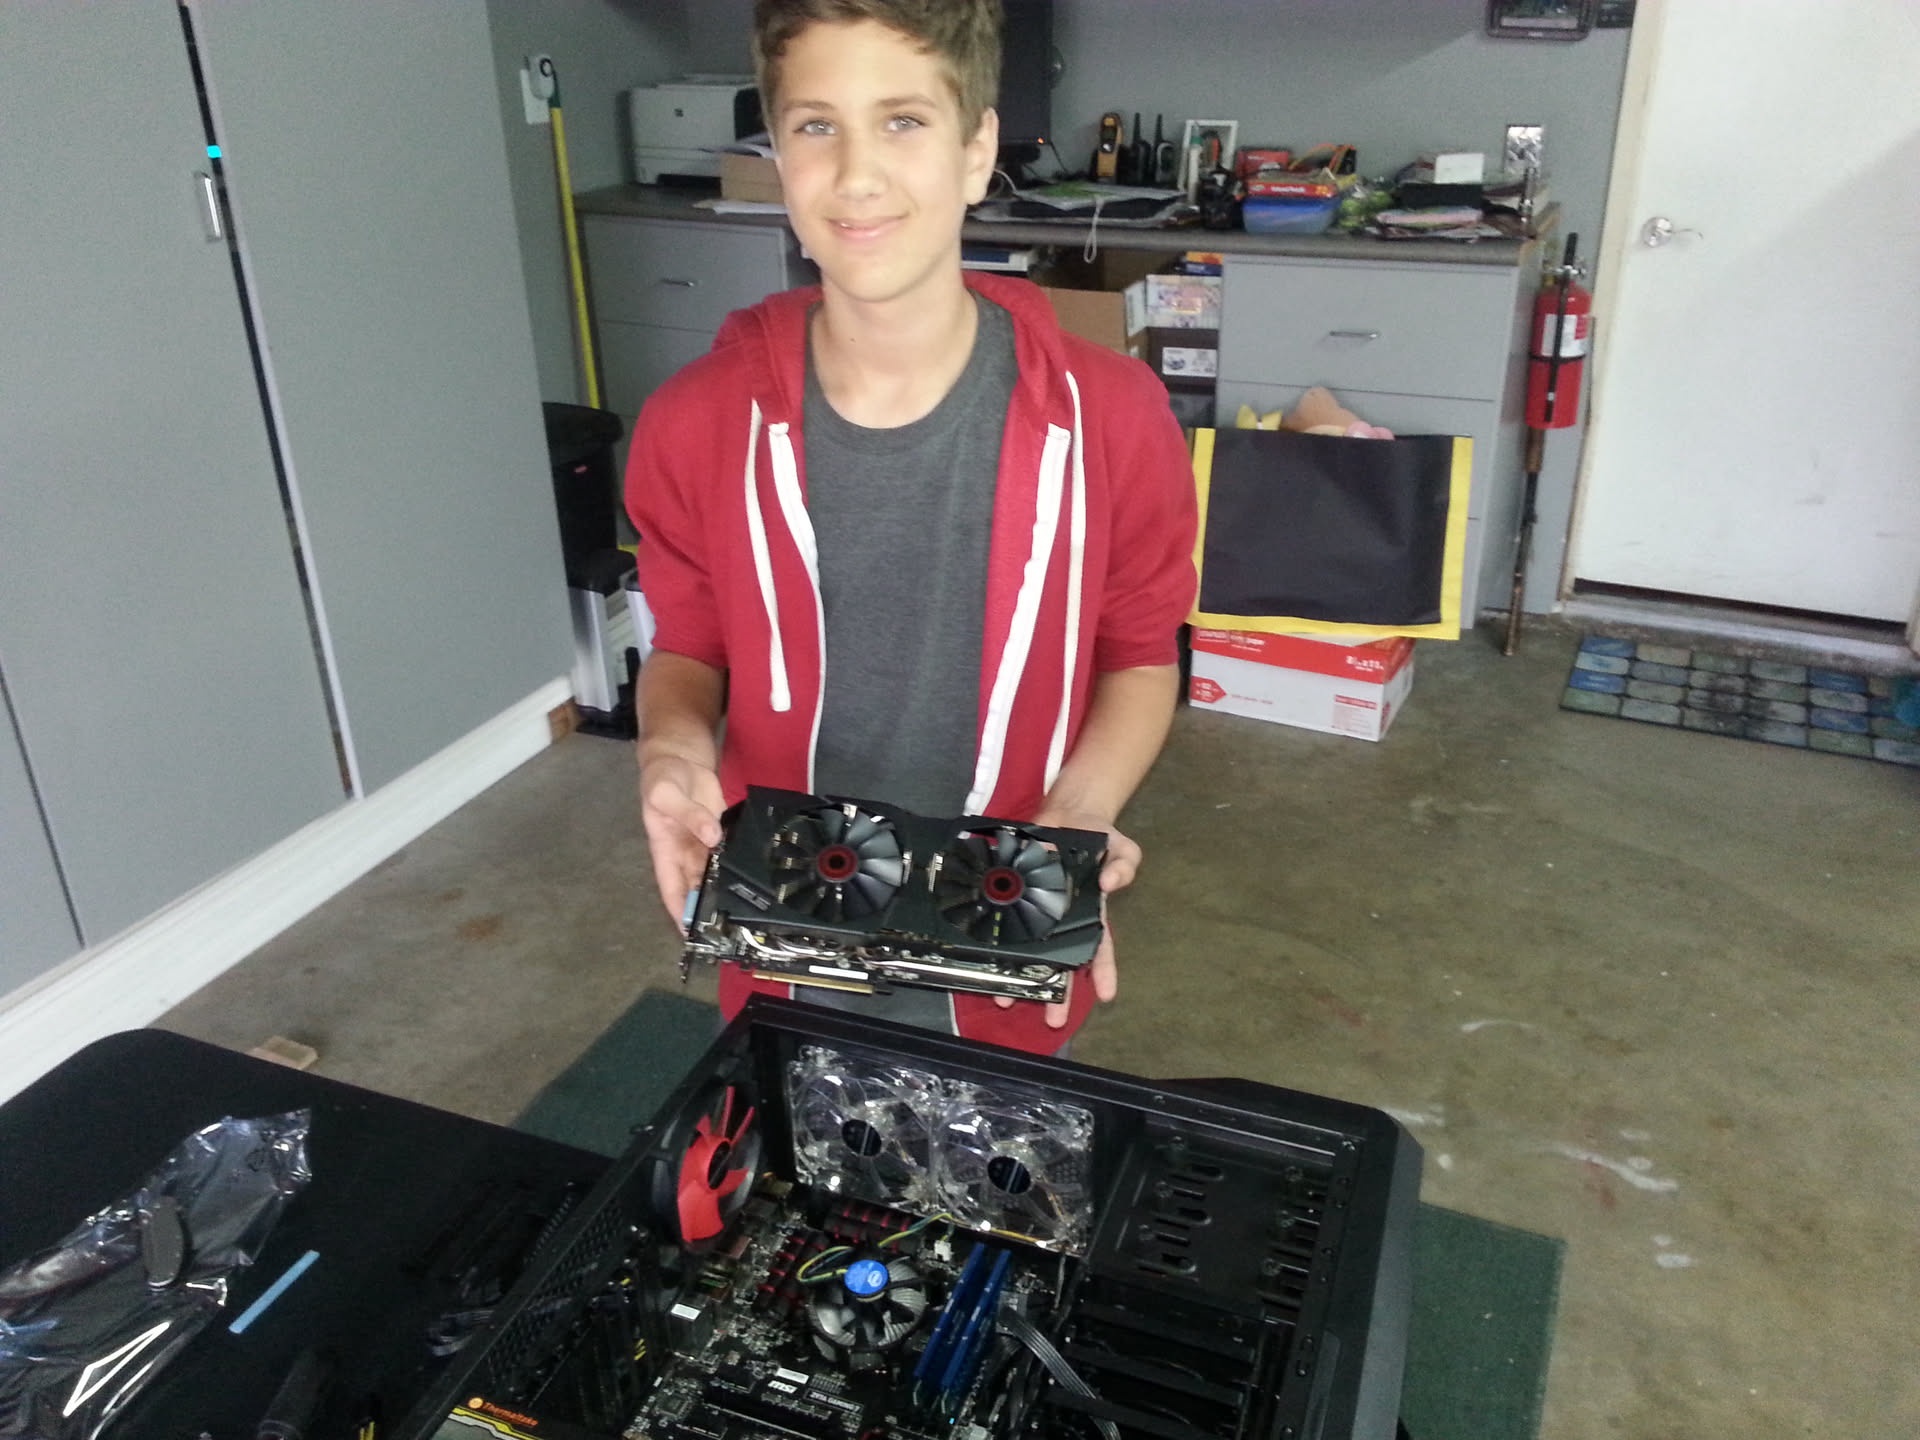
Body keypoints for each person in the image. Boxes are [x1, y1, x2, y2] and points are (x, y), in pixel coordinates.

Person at [625, 0, 1196, 1054]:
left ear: (978, 150)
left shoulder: (1113, 417)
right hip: (782, 932)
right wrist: (668, 750)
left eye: (902, 121)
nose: (856, 175)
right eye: (816, 126)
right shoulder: (693, 422)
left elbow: (1139, 653)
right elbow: (689, 644)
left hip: (1007, 932)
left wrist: (1082, 807)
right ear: (776, 152)